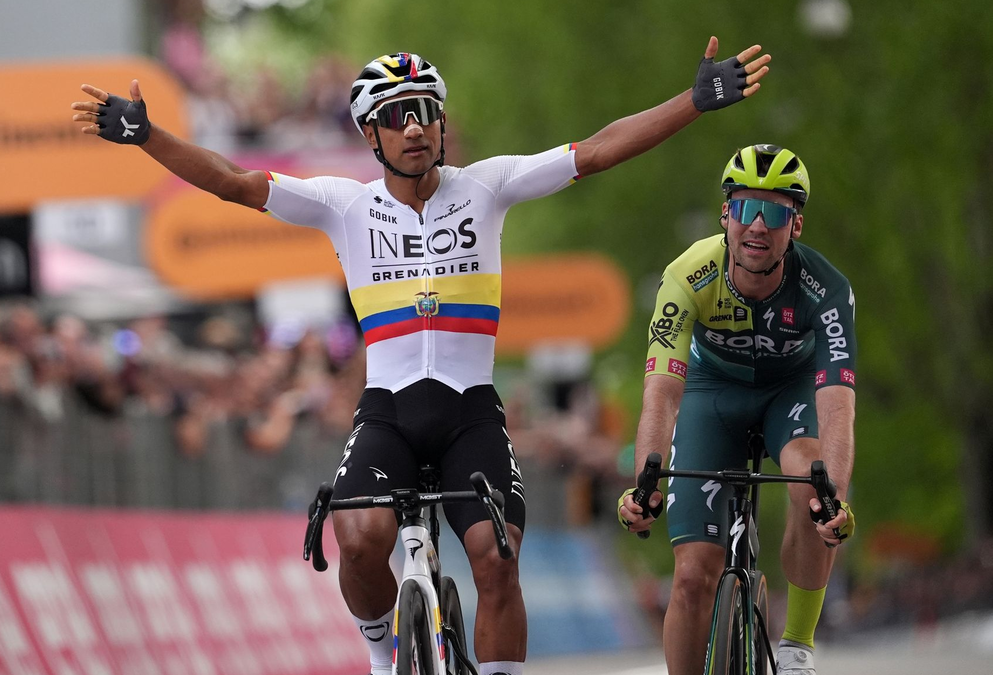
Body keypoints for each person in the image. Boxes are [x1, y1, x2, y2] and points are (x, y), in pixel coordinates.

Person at [73, 39, 770, 675]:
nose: (414, 126)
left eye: (426, 113)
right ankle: (382, 657)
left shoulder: (487, 186)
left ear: (440, 126)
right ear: (370, 134)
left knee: (497, 563)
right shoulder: (342, 205)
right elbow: (231, 180)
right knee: (359, 535)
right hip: (389, 413)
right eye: (397, 114)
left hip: (470, 412)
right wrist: (147, 135)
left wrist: (695, 102)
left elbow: (597, 150)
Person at [618, 144, 857, 675]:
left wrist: (835, 496)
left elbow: (838, 405)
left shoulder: (827, 289)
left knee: (811, 482)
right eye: (746, 208)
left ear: (795, 225)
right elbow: (661, 393)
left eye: (774, 213)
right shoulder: (687, 277)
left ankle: (796, 648)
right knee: (692, 576)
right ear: (725, 214)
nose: (757, 226)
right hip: (711, 392)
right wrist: (644, 483)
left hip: (788, 393)